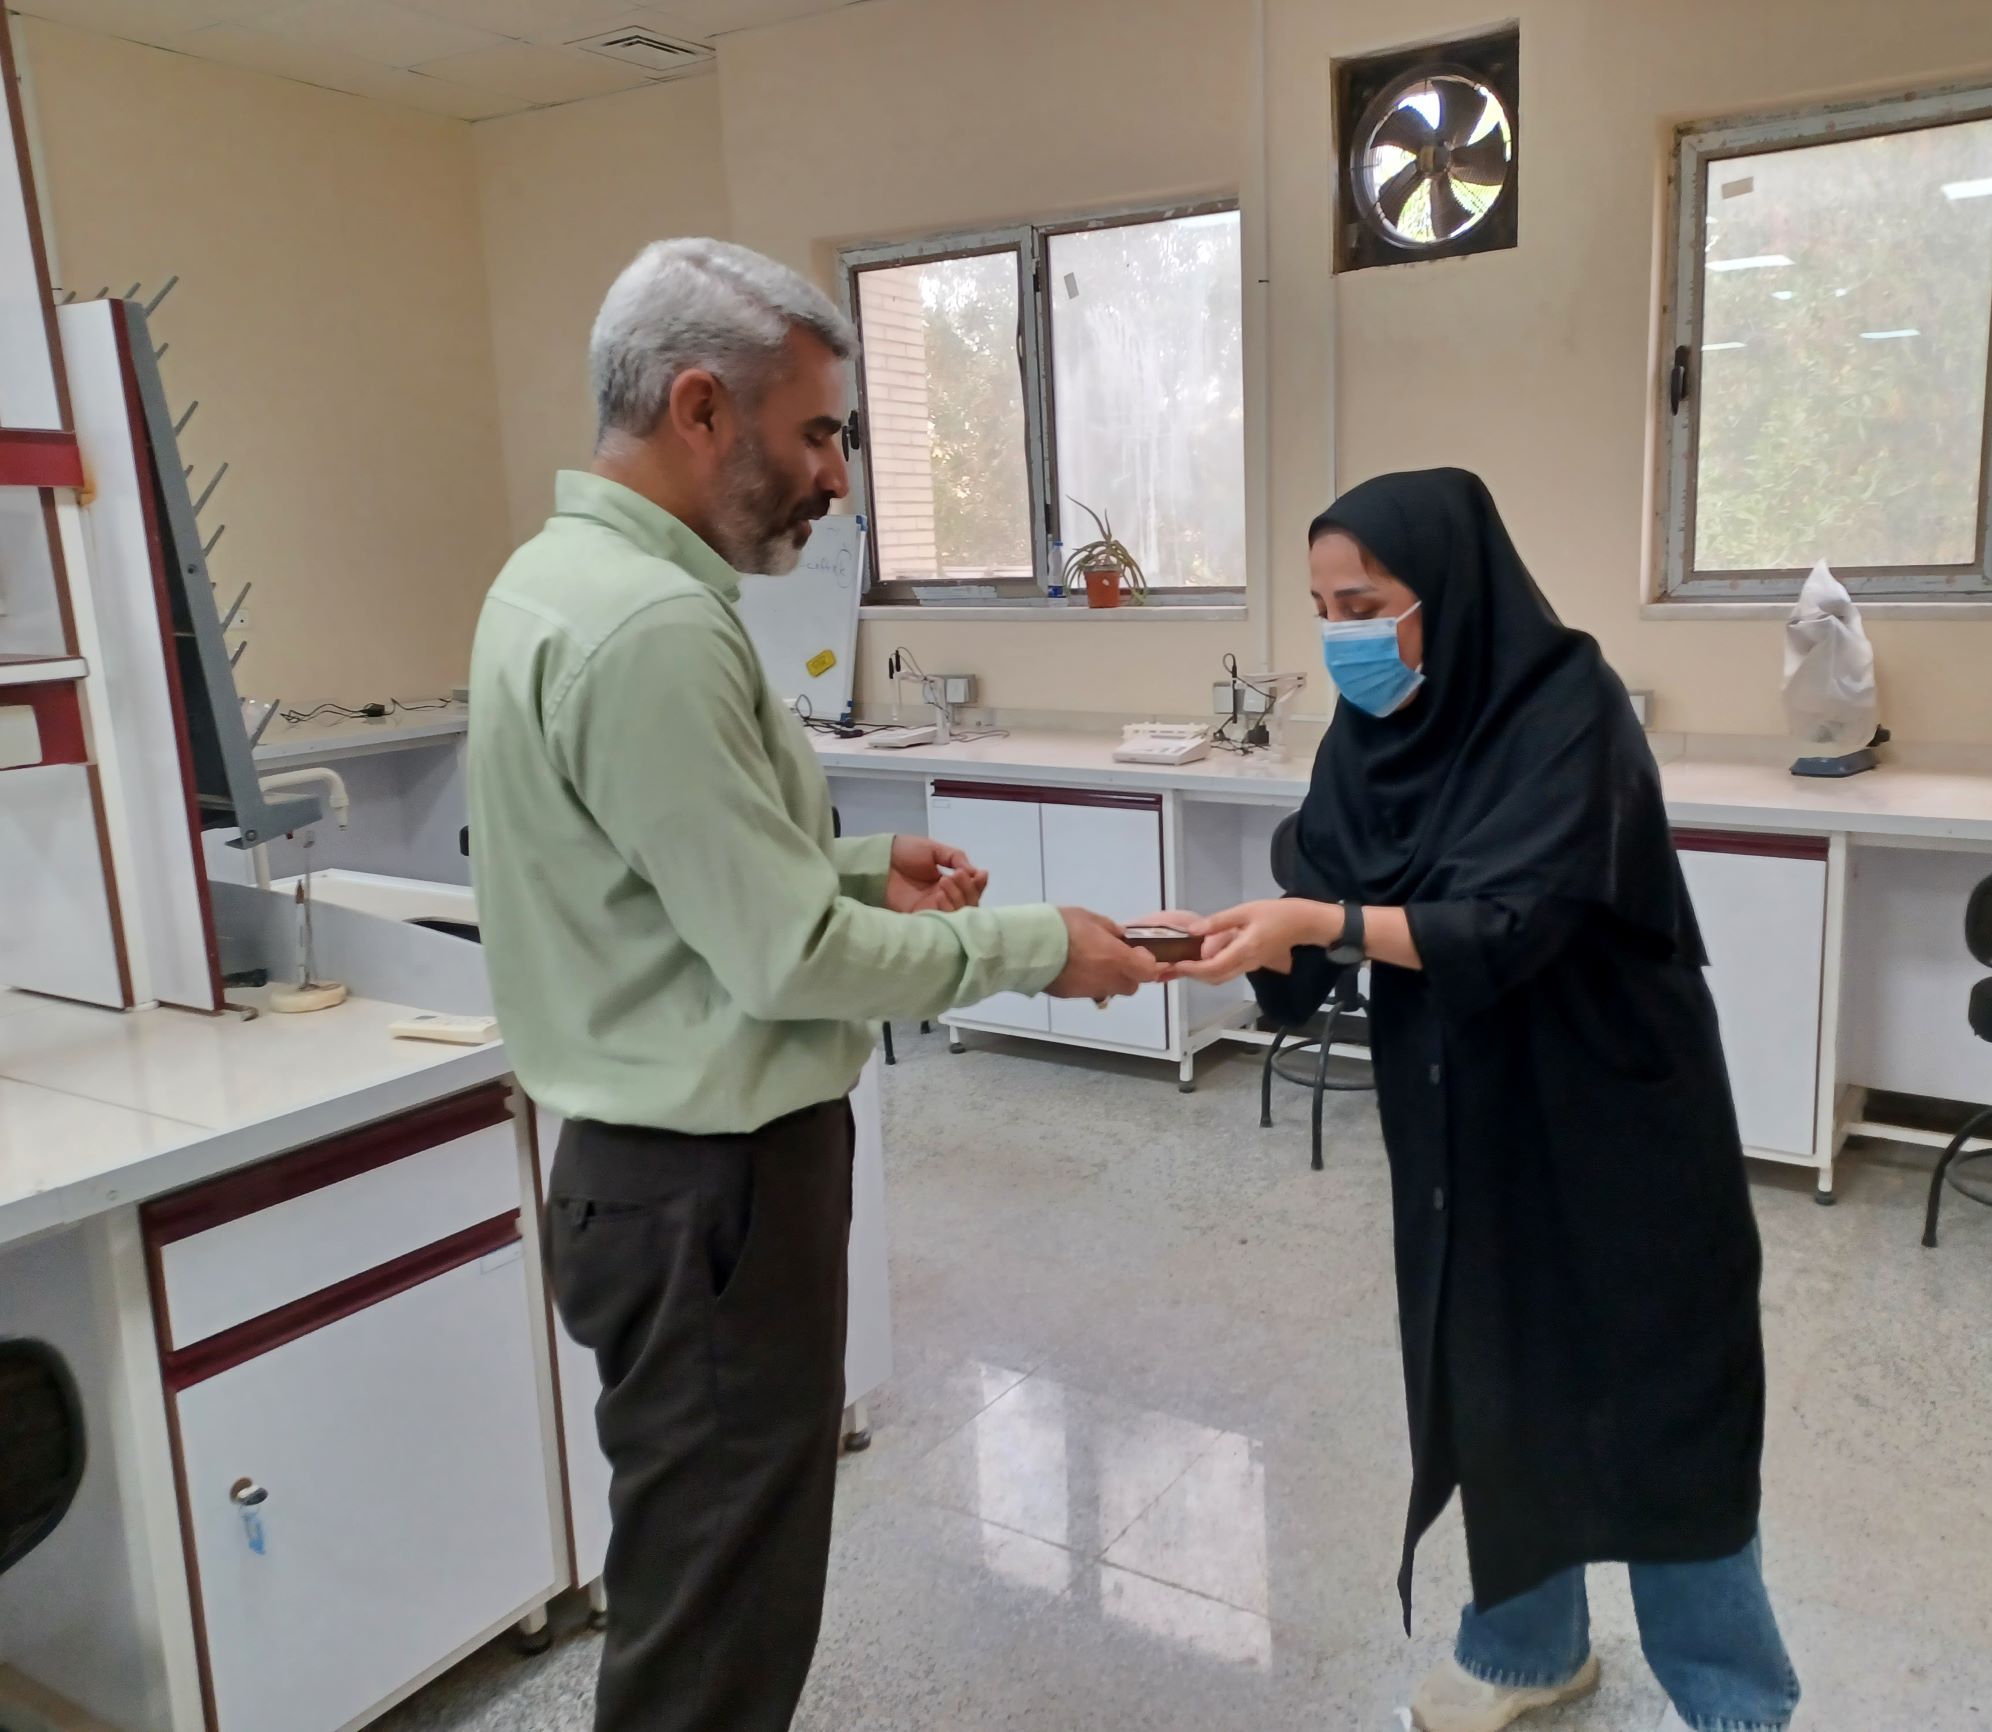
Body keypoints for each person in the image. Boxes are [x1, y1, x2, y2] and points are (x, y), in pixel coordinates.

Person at [465, 237, 1160, 1732]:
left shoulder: (556, 582)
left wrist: (849, 864)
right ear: (700, 407)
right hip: (710, 1194)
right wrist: (1037, 944)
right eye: (820, 432)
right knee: (720, 1623)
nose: (837, 476)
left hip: (644, 1177)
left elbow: (657, 878)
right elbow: (782, 958)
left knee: (697, 1577)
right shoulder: (652, 629)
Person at [1166, 469, 1798, 1732]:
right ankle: (1526, 1649)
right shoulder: (1370, 738)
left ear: (1449, 593)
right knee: (1497, 1373)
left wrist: (1325, 922)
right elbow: (1323, 891)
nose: (1340, 634)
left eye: (1365, 605)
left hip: (1614, 1109)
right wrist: (1233, 939)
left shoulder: (1566, 708)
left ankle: (1733, 1700)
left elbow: (1514, 920)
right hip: (1468, 1110)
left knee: (1664, 1399)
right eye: (1321, 608)